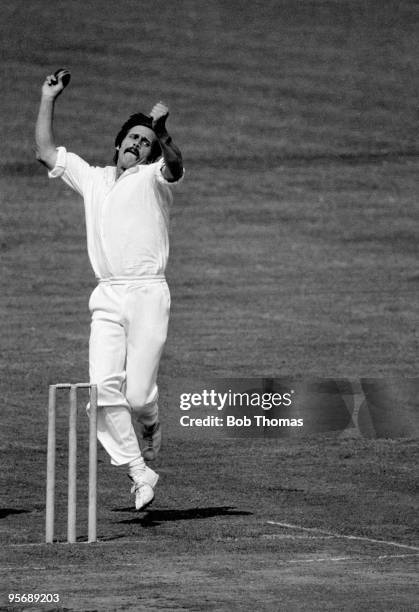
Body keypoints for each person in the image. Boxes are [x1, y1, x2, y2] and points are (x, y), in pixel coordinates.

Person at [35, 69, 184, 511]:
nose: (138, 146)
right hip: (107, 296)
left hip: (147, 294)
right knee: (99, 392)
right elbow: (44, 152)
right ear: (118, 144)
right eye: (133, 139)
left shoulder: (155, 178)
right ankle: (140, 473)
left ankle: (151, 419)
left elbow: (174, 164)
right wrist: (48, 98)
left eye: (145, 142)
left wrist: (164, 134)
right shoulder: (94, 177)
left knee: (137, 396)